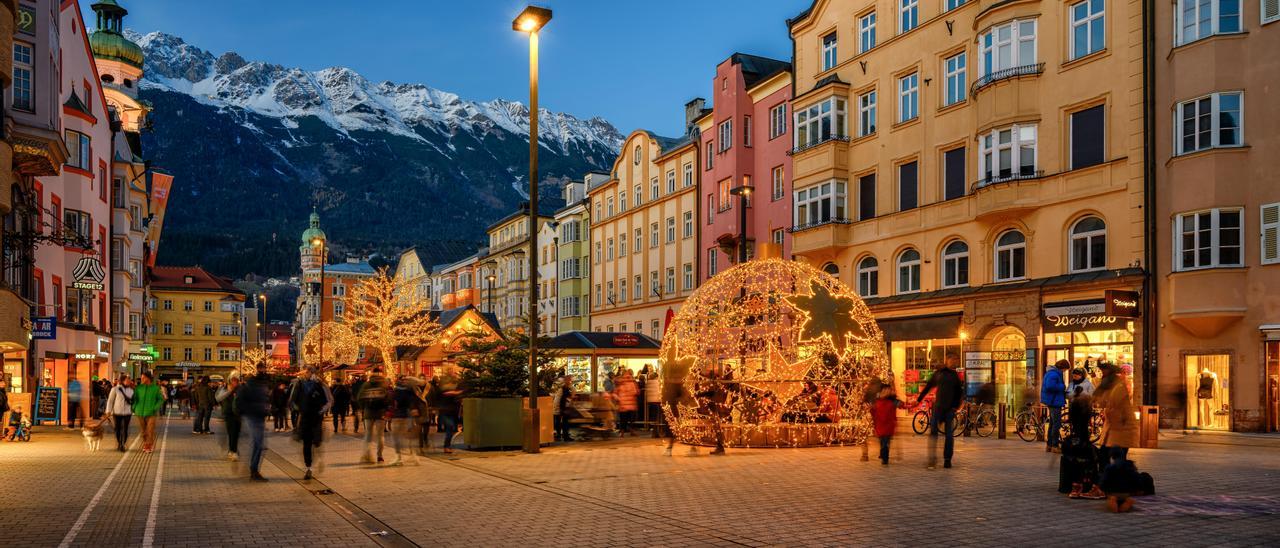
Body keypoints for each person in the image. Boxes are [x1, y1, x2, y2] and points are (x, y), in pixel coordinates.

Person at [917, 354, 964, 469]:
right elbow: (928, 386)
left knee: (949, 435)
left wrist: (955, 407)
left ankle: (947, 459)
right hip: (938, 408)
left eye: (956, 360)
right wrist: (919, 399)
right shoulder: (939, 373)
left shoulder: (955, 376)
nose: (955, 362)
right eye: (953, 359)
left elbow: (959, 393)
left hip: (949, 410)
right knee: (933, 433)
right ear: (947, 360)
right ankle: (932, 460)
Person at [289, 366, 333, 479]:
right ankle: (308, 467)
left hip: (316, 418)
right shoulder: (299, 384)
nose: (309, 374)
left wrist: (322, 410)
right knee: (307, 443)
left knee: (317, 442)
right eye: (307, 372)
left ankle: (318, 460)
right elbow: (292, 400)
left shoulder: (320, 385)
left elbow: (329, 400)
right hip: (305, 418)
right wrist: (299, 410)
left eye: (311, 372)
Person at [238, 369, 272, 482]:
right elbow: (240, 402)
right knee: (258, 444)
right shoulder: (253, 387)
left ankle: (253, 469)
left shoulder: (255, 386)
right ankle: (253, 471)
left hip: (257, 417)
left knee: (258, 445)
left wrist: (265, 410)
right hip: (254, 417)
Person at [356, 368, 391, 464]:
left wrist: (363, 408)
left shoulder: (366, 384)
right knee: (380, 435)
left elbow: (359, 398)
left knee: (368, 434)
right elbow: (388, 398)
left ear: (371, 374)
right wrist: (386, 409)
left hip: (368, 412)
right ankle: (380, 456)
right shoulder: (384, 384)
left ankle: (367, 456)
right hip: (381, 413)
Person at [388, 376, 421, 466]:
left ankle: (399, 457)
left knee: (396, 437)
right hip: (409, 416)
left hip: (399, 415)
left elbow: (395, 402)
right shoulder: (412, 390)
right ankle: (414, 456)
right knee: (409, 437)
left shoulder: (398, 390)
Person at [131, 372, 166, 454]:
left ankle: (149, 445)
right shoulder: (138, 388)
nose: (142, 379)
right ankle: (145, 443)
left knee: (150, 430)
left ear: (148, 378)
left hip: (151, 413)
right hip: (139, 412)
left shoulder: (155, 388)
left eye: (143, 378)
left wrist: (155, 408)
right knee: (143, 431)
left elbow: (161, 399)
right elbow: (134, 399)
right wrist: (134, 407)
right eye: (141, 378)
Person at [1041, 360, 1070, 453]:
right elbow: (1050, 386)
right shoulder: (1053, 374)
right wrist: (1062, 386)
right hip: (1054, 401)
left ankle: (1049, 445)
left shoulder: (1052, 373)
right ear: (1062, 367)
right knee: (1056, 424)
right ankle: (1054, 445)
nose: (1065, 371)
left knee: (1052, 424)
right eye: (1065, 369)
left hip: (1053, 400)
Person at [427, 377, 462, 454]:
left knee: (452, 429)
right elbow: (438, 397)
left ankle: (447, 445)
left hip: (453, 411)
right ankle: (446, 446)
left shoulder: (454, 391)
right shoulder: (441, 390)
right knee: (450, 426)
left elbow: (457, 398)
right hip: (445, 411)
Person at [104, 375, 135, 452]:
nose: (129, 381)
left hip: (127, 413)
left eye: (129, 380)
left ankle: (122, 444)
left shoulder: (131, 390)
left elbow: (134, 401)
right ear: (122, 380)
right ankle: (119, 442)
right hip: (117, 412)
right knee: (117, 429)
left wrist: (133, 408)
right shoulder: (115, 389)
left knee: (125, 429)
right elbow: (110, 400)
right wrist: (108, 411)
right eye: (127, 380)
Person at [871, 383, 900, 465]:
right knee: (882, 441)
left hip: (889, 425)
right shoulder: (876, 401)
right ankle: (883, 454)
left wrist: (914, 403)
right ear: (881, 391)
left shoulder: (893, 401)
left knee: (886, 442)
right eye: (885, 390)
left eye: (888, 390)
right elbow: (873, 412)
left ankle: (885, 458)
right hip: (880, 425)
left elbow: (902, 405)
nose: (887, 391)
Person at [218, 376, 243, 461]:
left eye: (236, 382)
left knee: (236, 433)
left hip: (237, 414)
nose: (234, 384)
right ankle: (233, 451)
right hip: (229, 414)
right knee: (232, 433)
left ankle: (232, 450)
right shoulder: (225, 390)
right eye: (233, 382)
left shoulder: (239, 390)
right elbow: (220, 400)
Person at [612, 370, 639, 436]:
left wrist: (619, 399)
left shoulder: (620, 383)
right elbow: (636, 392)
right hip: (631, 404)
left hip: (623, 405)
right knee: (631, 419)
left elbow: (614, 393)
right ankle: (632, 431)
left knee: (623, 419)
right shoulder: (632, 383)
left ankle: (622, 432)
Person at [553, 375, 573, 442]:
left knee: (560, 422)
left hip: (559, 408)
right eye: (569, 380)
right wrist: (563, 409)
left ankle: (560, 435)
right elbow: (563, 400)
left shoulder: (562, 388)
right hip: (561, 408)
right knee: (565, 422)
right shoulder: (564, 388)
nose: (570, 381)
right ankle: (565, 436)